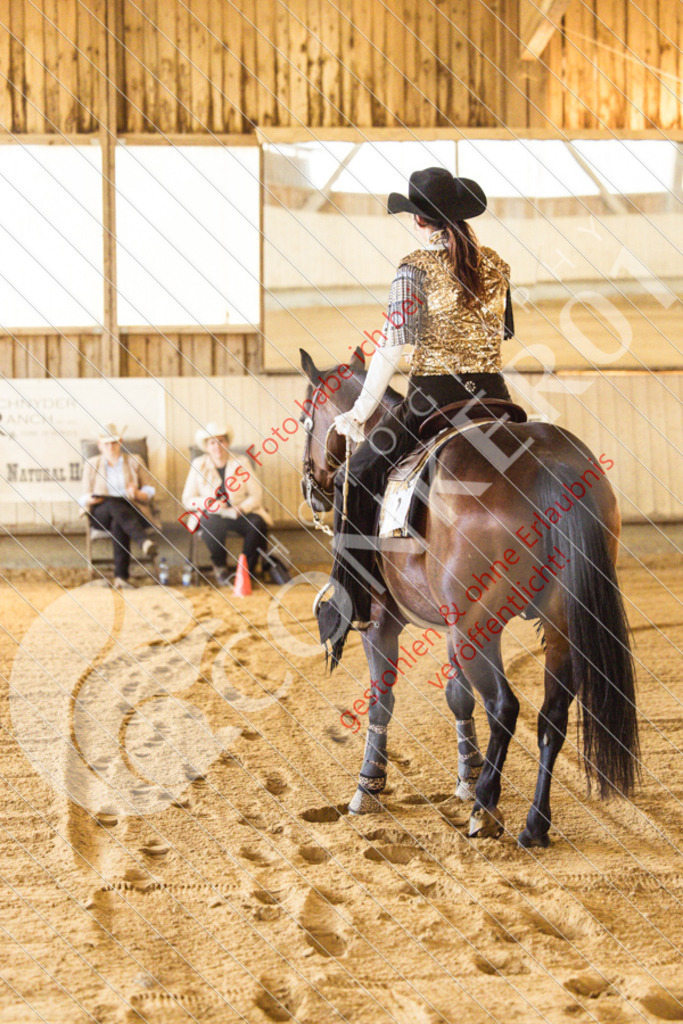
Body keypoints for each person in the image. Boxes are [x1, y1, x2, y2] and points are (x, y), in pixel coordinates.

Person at [318, 167, 515, 664]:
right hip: (495, 398)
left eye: (413, 216)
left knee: (357, 475)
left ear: (422, 221)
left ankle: (348, 599)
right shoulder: (498, 265)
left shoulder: (412, 268)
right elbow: (499, 336)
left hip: (432, 399)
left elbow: (391, 348)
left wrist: (359, 412)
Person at [181, 422, 275, 586]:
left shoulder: (242, 462)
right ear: (207, 446)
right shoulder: (198, 464)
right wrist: (209, 503)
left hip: (239, 512)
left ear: (227, 443)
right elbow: (187, 499)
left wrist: (242, 508)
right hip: (213, 514)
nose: (217, 446)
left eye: (221, 441)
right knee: (209, 521)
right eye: (212, 442)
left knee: (257, 523)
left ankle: (246, 571)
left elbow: (256, 494)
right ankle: (220, 567)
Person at [80, 424, 160, 589]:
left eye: (114, 443)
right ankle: (143, 541)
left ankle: (121, 578)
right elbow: (83, 496)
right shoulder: (91, 464)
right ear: (99, 445)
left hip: (131, 508)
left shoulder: (135, 460)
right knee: (111, 502)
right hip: (101, 511)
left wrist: (137, 493)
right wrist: (90, 499)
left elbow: (150, 489)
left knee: (119, 520)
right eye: (106, 443)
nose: (111, 447)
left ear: (120, 442)